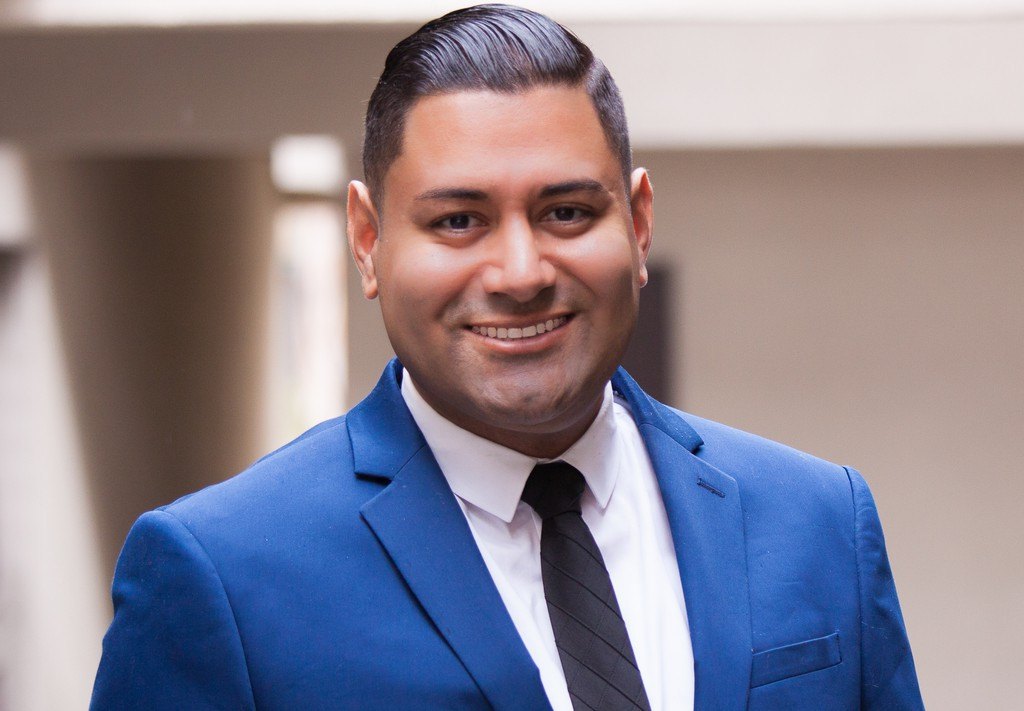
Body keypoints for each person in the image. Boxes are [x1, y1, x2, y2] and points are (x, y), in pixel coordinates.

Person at [91, 5, 923, 710]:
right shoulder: (221, 575)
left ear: (638, 224)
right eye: (458, 221)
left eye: (566, 212)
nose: (522, 273)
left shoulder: (818, 523)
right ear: (368, 240)